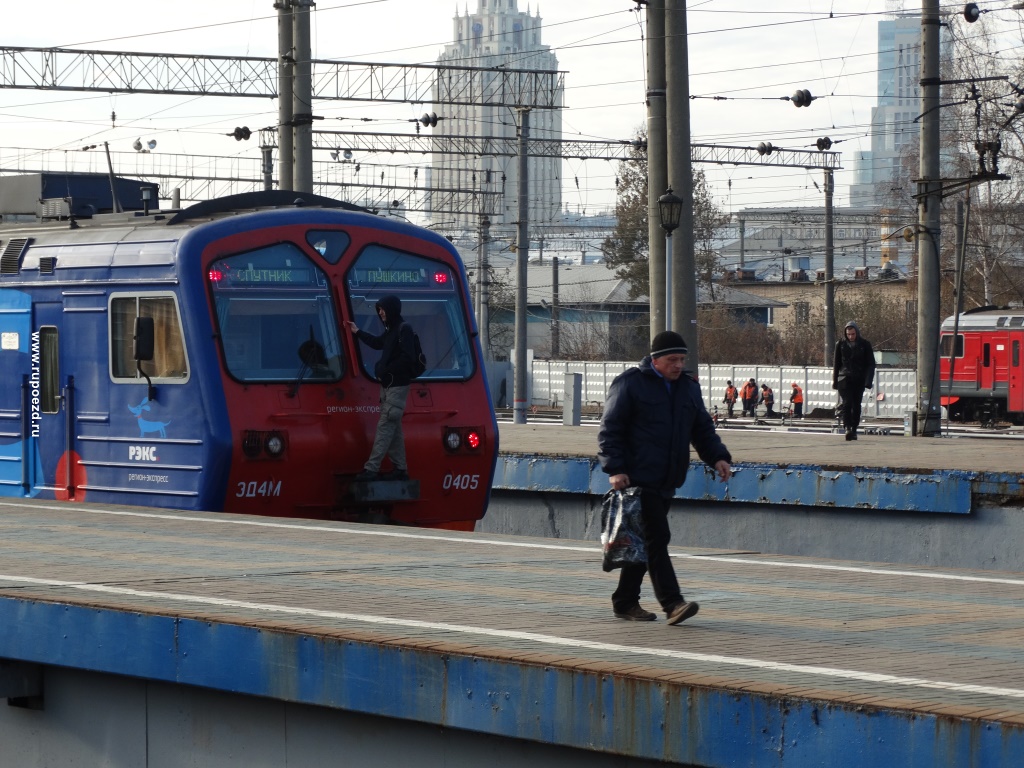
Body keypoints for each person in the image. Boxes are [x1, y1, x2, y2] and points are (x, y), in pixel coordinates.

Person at [597, 331, 732, 625]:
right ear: (655, 360)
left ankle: (624, 601)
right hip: (637, 479)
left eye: (682, 360)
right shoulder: (630, 384)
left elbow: (702, 430)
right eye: (672, 360)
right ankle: (673, 603)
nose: (678, 365)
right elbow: (610, 429)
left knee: (645, 542)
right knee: (657, 538)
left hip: (667, 478)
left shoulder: (688, 389)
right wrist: (615, 468)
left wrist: (719, 457)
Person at [344, 295, 418, 479]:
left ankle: (371, 468)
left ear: (392, 309)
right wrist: (357, 332)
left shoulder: (404, 329)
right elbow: (378, 343)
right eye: (379, 309)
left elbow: (408, 357)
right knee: (394, 429)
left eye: (383, 309)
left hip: (397, 386)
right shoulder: (392, 330)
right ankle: (400, 469)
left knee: (385, 425)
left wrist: (385, 370)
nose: (380, 312)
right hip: (388, 386)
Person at [832, 320, 876, 441]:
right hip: (844, 378)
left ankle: (854, 428)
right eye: (848, 334)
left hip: (859, 379)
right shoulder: (840, 344)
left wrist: (868, 380)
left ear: (857, 332)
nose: (851, 336)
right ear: (845, 334)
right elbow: (836, 364)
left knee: (856, 405)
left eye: (853, 334)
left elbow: (871, 364)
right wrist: (835, 381)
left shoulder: (865, 344)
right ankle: (848, 428)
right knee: (847, 403)